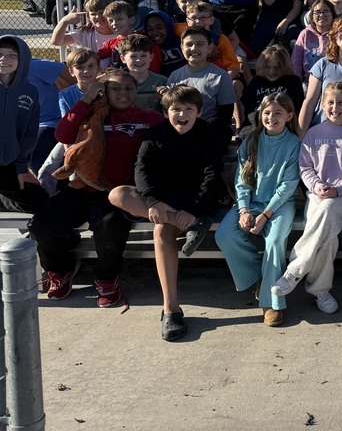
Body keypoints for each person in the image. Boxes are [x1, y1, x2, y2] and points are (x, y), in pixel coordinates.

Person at [30, 69, 164, 304]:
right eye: (116, 88)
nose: (123, 92)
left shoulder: (148, 118)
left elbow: (178, 136)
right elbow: (62, 134)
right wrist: (87, 98)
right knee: (42, 225)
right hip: (80, 187)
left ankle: (106, 277)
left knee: (110, 227)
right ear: (104, 92)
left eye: (128, 88)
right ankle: (61, 270)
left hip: (116, 193)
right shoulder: (90, 116)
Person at [107, 84, 221, 340]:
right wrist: (154, 202)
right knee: (117, 194)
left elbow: (211, 177)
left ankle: (171, 310)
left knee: (160, 232)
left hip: (195, 200)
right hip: (163, 201)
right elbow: (142, 170)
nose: (182, 114)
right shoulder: (155, 134)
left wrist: (193, 210)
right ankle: (192, 225)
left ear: (198, 112)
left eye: (188, 109)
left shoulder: (207, 135)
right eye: (175, 109)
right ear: (166, 112)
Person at [272, 81, 342, 316]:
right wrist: (317, 186)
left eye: (341, 102)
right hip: (316, 195)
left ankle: (295, 269)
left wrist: (338, 189)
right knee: (328, 239)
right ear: (323, 105)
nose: (335, 107)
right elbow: (305, 167)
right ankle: (320, 291)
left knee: (327, 210)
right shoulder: (314, 133)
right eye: (330, 102)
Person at [215, 93, 301, 327]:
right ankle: (260, 276)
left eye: (278, 113)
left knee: (274, 241)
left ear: (289, 116)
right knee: (225, 235)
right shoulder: (250, 141)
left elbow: (288, 185)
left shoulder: (294, 144)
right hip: (251, 202)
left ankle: (272, 302)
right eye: (267, 112)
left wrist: (265, 215)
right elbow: (241, 181)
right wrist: (244, 210)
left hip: (280, 205)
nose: (271, 117)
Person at [0, 35, 45, 213]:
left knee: (39, 201)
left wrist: (22, 168)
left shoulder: (30, 92)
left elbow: (29, 134)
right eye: (0, 54)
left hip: (8, 164)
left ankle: (3, 199)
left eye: (12, 55)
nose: (4, 59)